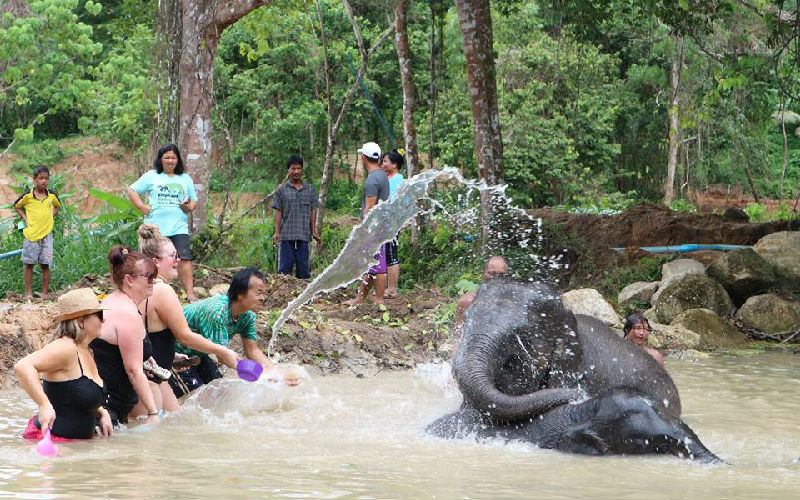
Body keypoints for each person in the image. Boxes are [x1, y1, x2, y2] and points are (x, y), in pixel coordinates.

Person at [137, 224, 240, 411]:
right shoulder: (162, 291)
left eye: (177, 254)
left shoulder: (144, 287)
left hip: (152, 370)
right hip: (150, 374)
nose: (178, 260)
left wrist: (171, 355)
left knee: (173, 421)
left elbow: (147, 335)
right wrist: (222, 351)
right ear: (155, 261)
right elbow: (185, 336)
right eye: (172, 256)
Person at [173, 266, 298, 397]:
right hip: (174, 353)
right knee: (193, 397)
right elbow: (223, 356)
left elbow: (252, 350)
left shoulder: (248, 316)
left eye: (263, 293)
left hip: (199, 354)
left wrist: (274, 372)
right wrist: (263, 374)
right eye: (258, 293)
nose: (262, 298)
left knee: (219, 394)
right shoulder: (217, 311)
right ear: (240, 293)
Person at [15, 288, 113, 440]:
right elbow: (22, 366)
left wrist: (101, 411)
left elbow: (74, 397)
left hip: (74, 446)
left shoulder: (86, 350)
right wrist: (43, 404)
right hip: (51, 443)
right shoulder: (66, 348)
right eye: (99, 315)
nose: (103, 320)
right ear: (81, 321)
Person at [91, 246, 160, 426]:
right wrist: (153, 413)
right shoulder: (127, 314)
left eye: (155, 276)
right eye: (149, 277)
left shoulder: (113, 300)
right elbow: (133, 371)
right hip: (107, 409)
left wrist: (145, 355)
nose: (154, 281)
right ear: (129, 280)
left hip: (101, 403)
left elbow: (112, 353)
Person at [128, 144, 199, 302]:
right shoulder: (151, 176)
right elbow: (132, 190)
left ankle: (190, 294)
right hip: (155, 228)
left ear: (178, 160)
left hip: (179, 227)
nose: (170, 161)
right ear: (160, 159)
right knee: (150, 260)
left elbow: (194, 201)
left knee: (184, 258)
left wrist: (188, 207)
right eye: (167, 157)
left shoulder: (185, 179)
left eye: (173, 157)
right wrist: (142, 207)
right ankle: (147, 292)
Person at [345, 142, 390, 306]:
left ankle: (379, 300)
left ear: (363, 158)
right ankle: (360, 298)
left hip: (374, 229)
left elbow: (370, 208)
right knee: (369, 265)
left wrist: (362, 229)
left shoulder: (371, 180)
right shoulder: (382, 175)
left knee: (379, 267)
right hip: (381, 226)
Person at [14, 165, 61, 300]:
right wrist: (25, 217)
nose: (44, 181)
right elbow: (17, 206)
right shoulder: (27, 196)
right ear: (34, 179)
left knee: (45, 265)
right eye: (40, 178)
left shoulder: (51, 195)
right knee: (29, 265)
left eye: (46, 178)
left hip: (47, 236)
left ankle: (44, 294)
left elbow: (57, 206)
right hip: (32, 236)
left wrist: (50, 216)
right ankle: (28, 293)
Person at [272, 156, 320, 279]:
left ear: (302, 170)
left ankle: (303, 290)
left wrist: (314, 231)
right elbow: (278, 211)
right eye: (293, 168)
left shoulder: (310, 190)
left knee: (303, 271)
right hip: (286, 235)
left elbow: (313, 210)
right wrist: (277, 232)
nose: (296, 171)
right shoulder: (281, 190)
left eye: (299, 168)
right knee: (284, 271)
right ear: (288, 171)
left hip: (304, 234)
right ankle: (283, 290)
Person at [453, 256, 509, 355]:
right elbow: (458, 336)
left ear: (508, 277)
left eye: (502, 275)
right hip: (475, 355)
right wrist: (455, 359)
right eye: (491, 274)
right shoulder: (467, 302)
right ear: (483, 273)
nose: (496, 278)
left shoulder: (514, 303)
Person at [381, 149, 405, 299]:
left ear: (394, 164)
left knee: (391, 253)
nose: (383, 164)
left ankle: (391, 289)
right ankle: (385, 287)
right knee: (385, 253)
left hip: (391, 223)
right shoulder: (388, 178)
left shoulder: (398, 180)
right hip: (384, 222)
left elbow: (394, 203)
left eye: (385, 161)